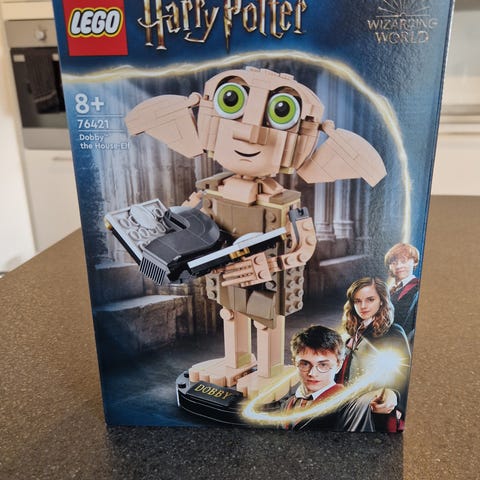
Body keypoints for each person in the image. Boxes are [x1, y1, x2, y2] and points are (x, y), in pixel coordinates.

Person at [336, 277, 411, 432]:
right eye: (357, 301)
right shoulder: (351, 333)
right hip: (347, 406)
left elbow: (404, 372)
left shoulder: (394, 332)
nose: (363, 306)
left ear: (382, 301)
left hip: (375, 409)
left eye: (370, 300)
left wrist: (394, 395)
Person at [283, 325, 346, 430]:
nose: (312, 373)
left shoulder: (346, 407)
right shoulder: (287, 404)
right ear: (294, 363)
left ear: (338, 365)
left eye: (323, 365)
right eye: (305, 364)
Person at [385, 243, 420, 342]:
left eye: (403, 261)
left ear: (415, 262)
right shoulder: (387, 290)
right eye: (394, 263)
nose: (398, 266)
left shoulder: (418, 288)